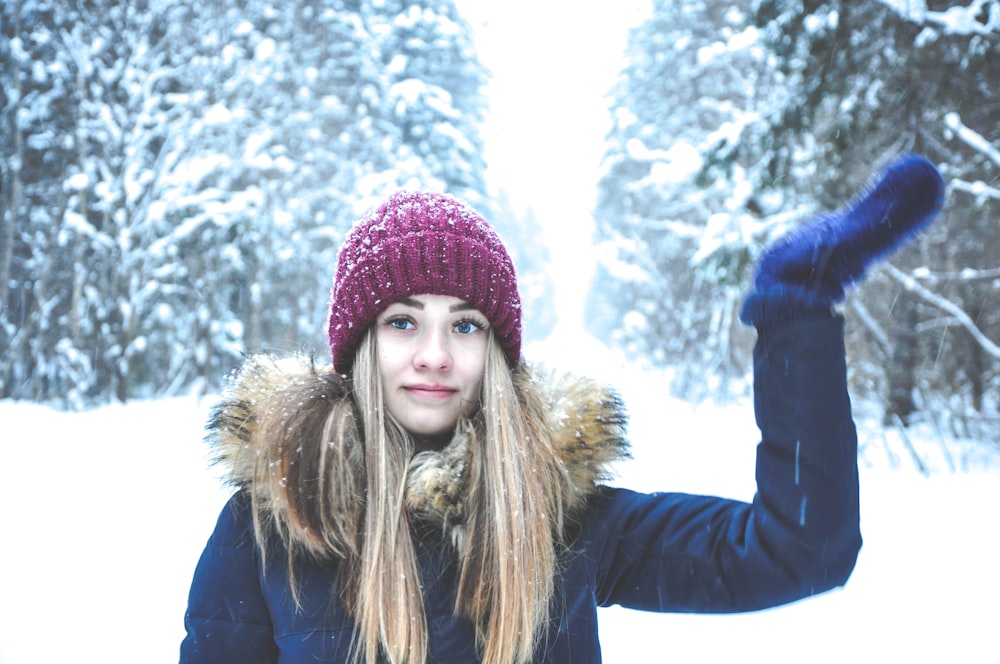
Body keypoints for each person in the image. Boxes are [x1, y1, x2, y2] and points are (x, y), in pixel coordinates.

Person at [180, 154, 945, 664]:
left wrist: (796, 317)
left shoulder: (567, 520)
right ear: (358, 345)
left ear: (500, 355)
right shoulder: (269, 524)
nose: (436, 355)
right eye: (403, 322)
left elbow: (799, 550)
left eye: (467, 326)